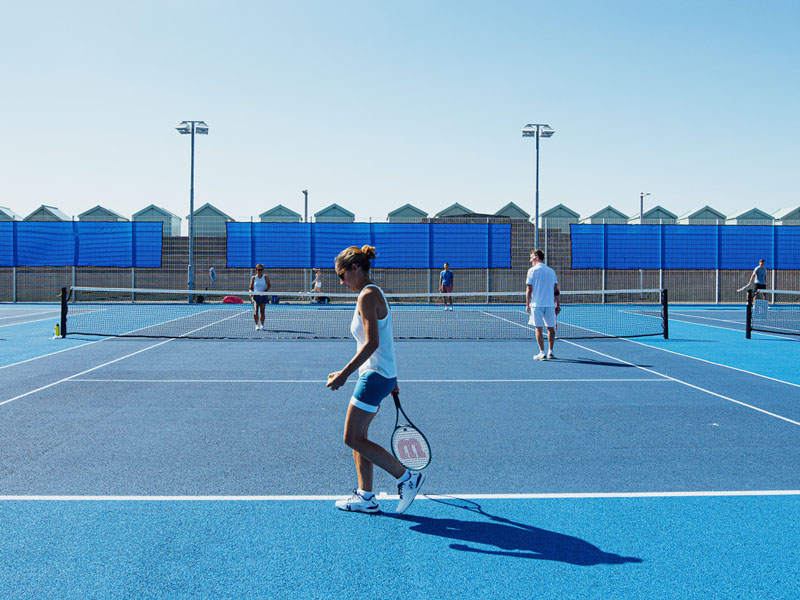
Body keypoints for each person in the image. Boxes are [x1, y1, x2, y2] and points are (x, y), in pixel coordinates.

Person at [326, 245, 425, 514]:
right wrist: (391, 377)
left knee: (351, 437)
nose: (341, 281)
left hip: (375, 376)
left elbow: (372, 343)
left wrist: (344, 375)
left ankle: (408, 478)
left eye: (342, 274)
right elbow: (381, 342)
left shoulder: (367, 296)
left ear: (355, 268)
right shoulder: (372, 293)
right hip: (381, 374)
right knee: (360, 436)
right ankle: (366, 496)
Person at [526, 249, 560, 361]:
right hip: (550, 305)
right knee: (551, 329)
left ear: (536, 257)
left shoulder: (532, 271)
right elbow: (556, 290)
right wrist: (557, 304)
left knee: (538, 329)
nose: (530, 260)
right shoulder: (551, 271)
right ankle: (551, 351)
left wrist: (527, 304)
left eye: (531, 257)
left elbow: (528, 289)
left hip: (537, 305)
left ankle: (542, 353)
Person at [249, 264, 271, 330]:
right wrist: (250, 292)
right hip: (256, 296)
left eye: (261, 270)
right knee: (255, 311)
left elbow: (269, 286)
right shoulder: (254, 278)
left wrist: (264, 291)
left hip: (263, 296)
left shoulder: (265, 277)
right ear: (256, 270)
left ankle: (262, 325)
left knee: (262, 311)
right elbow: (251, 287)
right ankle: (256, 325)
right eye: (258, 270)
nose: (260, 271)